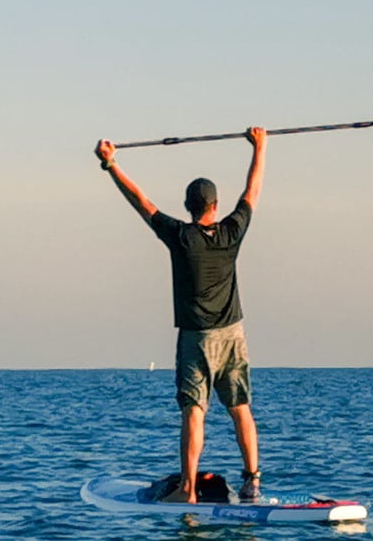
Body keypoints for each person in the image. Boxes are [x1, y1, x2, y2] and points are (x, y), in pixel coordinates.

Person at [93, 127, 267, 504]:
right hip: (233, 334)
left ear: (188, 206)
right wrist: (260, 147)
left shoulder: (180, 236)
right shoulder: (232, 232)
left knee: (194, 412)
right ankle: (252, 482)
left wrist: (111, 165)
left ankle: (188, 491)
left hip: (196, 338)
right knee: (241, 409)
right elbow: (252, 191)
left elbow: (140, 201)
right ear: (215, 206)